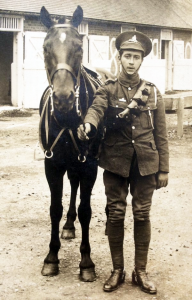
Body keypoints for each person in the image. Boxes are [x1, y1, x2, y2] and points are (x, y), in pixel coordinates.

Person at [77, 31, 169, 294]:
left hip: (146, 164)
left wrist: (164, 168)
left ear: (142, 61)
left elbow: (160, 134)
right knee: (115, 214)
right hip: (116, 162)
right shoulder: (107, 89)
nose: (131, 61)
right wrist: (88, 123)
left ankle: (140, 271)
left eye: (136, 57)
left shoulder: (152, 92)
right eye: (127, 56)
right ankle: (117, 270)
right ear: (119, 57)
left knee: (142, 214)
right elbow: (96, 109)